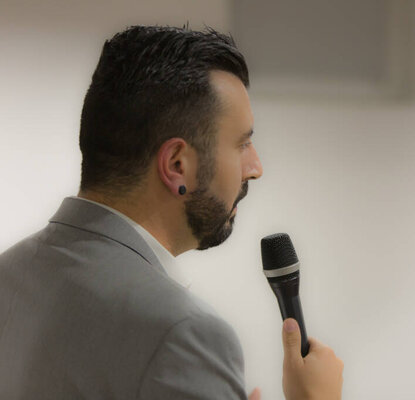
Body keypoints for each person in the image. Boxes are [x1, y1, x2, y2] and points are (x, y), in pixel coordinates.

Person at [0, 26, 343, 399]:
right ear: (177, 165)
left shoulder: (9, 274)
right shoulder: (184, 334)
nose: (255, 166)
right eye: (242, 144)